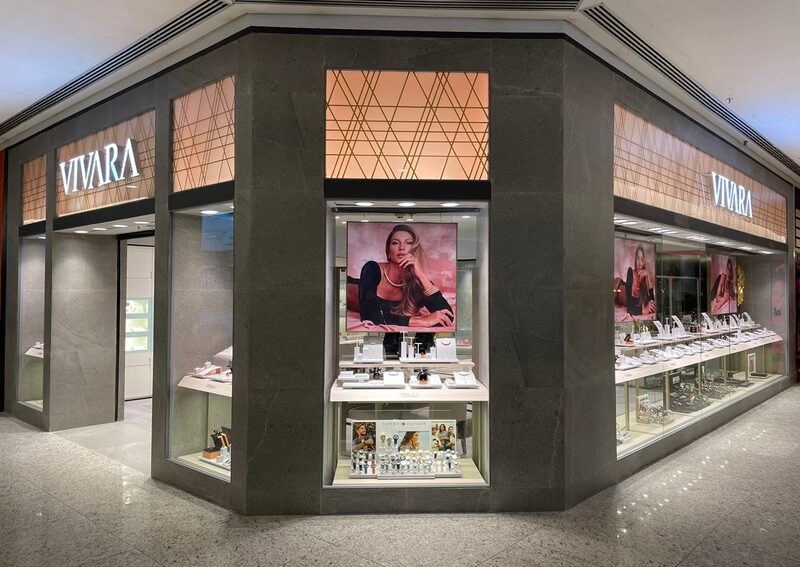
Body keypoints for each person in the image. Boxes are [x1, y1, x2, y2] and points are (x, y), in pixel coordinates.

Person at [358, 224, 454, 328]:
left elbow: (447, 316)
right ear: (388, 251)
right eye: (395, 243)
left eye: (408, 243)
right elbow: (368, 313)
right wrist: (421, 321)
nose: (402, 248)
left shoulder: (418, 283)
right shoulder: (371, 269)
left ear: (414, 250)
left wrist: (421, 276)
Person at [620, 243, 655, 317]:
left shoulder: (644, 279)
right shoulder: (630, 271)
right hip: (619, 287)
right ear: (635, 260)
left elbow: (652, 304)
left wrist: (648, 277)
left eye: (642, 260)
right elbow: (630, 306)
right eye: (638, 259)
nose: (640, 264)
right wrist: (643, 310)